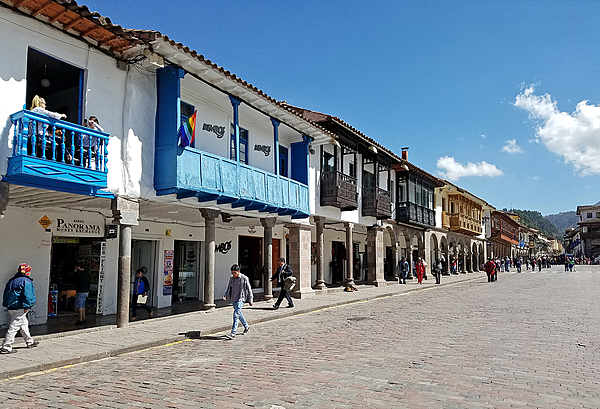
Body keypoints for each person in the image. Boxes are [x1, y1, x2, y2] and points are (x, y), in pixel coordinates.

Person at [1, 263, 39, 353]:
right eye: (29, 271)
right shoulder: (26, 281)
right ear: (27, 272)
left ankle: (30, 342)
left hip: (11, 307)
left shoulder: (12, 280)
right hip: (20, 307)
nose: (30, 273)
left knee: (23, 324)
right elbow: (29, 295)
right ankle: (6, 346)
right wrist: (27, 306)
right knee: (14, 327)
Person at [29, 95, 68, 161]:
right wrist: (61, 115)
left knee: (58, 140)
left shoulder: (32, 111)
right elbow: (52, 114)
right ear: (40, 104)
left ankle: (67, 156)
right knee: (58, 141)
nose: (45, 106)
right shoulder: (38, 109)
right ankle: (64, 158)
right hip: (39, 136)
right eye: (44, 104)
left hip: (36, 136)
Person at [222, 264, 253, 340]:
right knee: (239, 314)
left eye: (234, 273)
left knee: (236, 315)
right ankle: (246, 326)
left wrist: (250, 299)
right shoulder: (231, 278)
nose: (233, 274)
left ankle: (233, 333)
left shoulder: (244, 278)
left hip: (240, 299)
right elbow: (229, 287)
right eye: (232, 273)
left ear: (238, 271)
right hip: (233, 298)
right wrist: (225, 295)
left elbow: (249, 289)